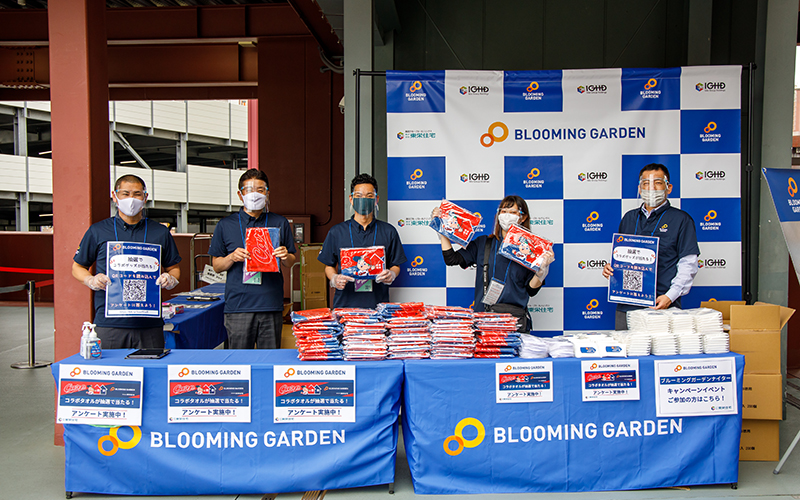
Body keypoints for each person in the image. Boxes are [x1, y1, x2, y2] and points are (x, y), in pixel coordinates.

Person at [72, 174, 181, 349]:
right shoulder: (97, 231)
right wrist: (90, 280)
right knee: (112, 373)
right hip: (110, 323)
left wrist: (170, 278)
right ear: (115, 196)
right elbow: (77, 267)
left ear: (145, 197)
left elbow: (174, 267)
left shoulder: (160, 232)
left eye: (137, 194)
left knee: (150, 372)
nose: (131, 199)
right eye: (125, 193)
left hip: (149, 323)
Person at [434, 195, 554, 333]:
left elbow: (531, 290)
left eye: (513, 212)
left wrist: (541, 273)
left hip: (514, 323)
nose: (507, 216)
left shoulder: (532, 250)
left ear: (523, 217)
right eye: (503, 211)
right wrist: (442, 229)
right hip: (484, 321)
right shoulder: (483, 243)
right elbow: (452, 259)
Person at [602, 163, 700, 329]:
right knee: (627, 351)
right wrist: (611, 269)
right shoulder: (629, 218)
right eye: (646, 183)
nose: (651, 188)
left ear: (669, 188)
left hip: (662, 305)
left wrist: (670, 296)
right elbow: (622, 256)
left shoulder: (681, 220)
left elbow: (688, 264)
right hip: (627, 305)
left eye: (658, 182)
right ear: (639, 188)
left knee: (661, 353)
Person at [209, 169, 296, 349]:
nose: (255, 194)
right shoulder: (225, 225)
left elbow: (291, 261)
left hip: (270, 304)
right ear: (240, 195)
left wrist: (285, 256)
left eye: (260, 190)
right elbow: (216, 266)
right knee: (239, 363)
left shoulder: (280, 223)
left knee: (269, 361)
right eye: (249, 190)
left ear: (267, 193)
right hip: (238, 306)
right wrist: (232, 257)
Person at [319, 173, 407, 309]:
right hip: (345, 305)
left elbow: (396, 264)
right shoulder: (336, 232)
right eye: (359, 196)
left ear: (376, 199)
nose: (364, 199)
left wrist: (392, 274)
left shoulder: (389, 231)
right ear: (351, 199)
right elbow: (328, 265)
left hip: (378, 306)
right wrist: (334, 279)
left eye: (369, 196)